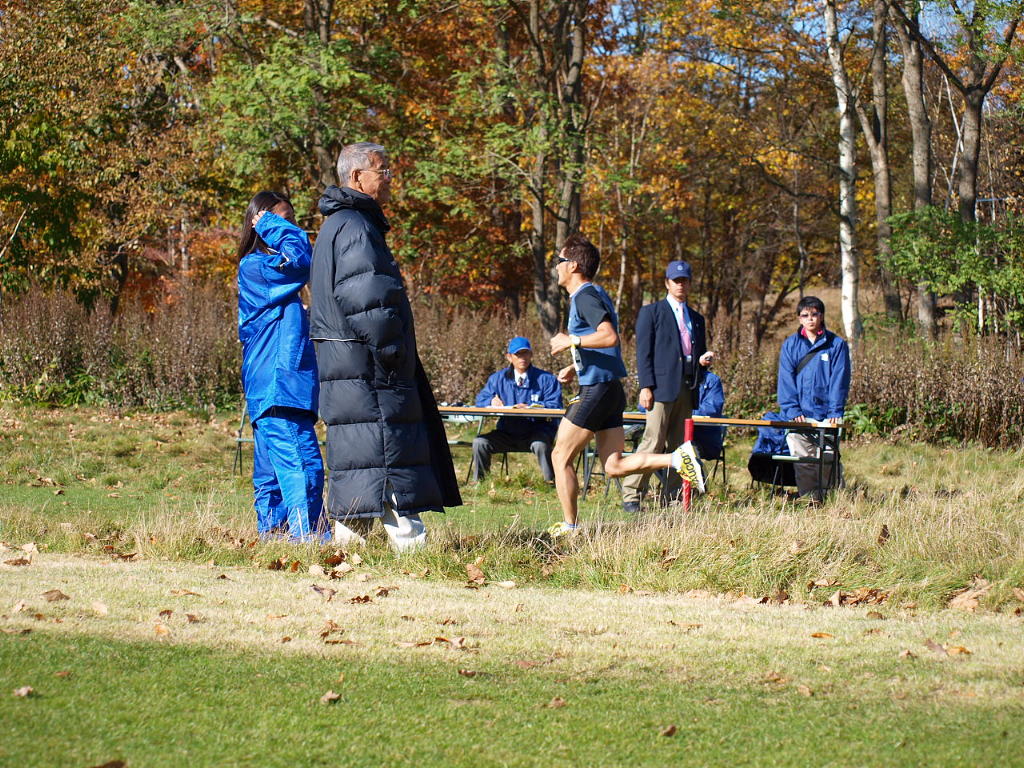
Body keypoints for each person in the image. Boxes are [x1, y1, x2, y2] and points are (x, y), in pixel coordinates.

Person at [309, 142, 462, 551]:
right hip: (371, 371)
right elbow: (369, 301)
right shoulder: (356, 227)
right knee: (388, 455)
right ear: (358, 177)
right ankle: (413, 552)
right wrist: (395, 354)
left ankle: (345, 552)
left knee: (359, 461)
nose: (390, 177)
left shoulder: (337, 225)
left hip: (346, 368)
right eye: (383, 170)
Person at [547, 234, 705, 537]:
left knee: (559, 456)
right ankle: (677, 458)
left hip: (597, 391)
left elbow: (608, 336)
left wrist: (571, 341)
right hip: (610, 389)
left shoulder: (584, 296)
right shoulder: (596, 293)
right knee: (614, 465)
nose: (556, 267)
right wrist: (576, 363)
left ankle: (570, 526)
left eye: (560, 260)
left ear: (574, 265)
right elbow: (604, 345)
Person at [236, 191, 324, 542]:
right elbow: (301, 261)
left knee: (272, 473)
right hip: (279, 385)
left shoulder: (269, 276)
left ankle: (274, 539)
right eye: (282, 219)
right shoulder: (257, 267)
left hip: (274, 387)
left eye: (291, 220)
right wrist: (274, 225)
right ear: (261, 222)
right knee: (303, 465)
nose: (292, 227)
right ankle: (309, 541)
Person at [621, 260, 715, 512]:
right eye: (676, 280)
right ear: (667, 283)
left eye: (685, 280)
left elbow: (696, 352)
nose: (681, 285)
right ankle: (632, 494)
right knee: (653, 440)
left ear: (690, 284)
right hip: (660, 388)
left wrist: (702, 361)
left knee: (680, 446)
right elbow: (643, 353)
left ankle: (673, 497)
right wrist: (645, 386)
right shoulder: (651, 312)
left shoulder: (697, 318)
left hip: (687, 387)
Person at [777, 295, 851, 502]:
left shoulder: (836, 345)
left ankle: (833, 499)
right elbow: (785, 381)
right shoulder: (790, 345)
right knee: (804, 461)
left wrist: (835, 411)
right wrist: (793, 409)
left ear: (822, 316)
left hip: (827, 414)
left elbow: (839, 381)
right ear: (799, 318)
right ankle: (810, 500)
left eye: (814, 314)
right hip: (798, 415)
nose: (810, 319)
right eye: (805, 315)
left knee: (828, 458)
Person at [472, 336, 562, 482]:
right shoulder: (497, 379)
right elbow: (480, 401)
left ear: (531, 355)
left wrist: (533, 407)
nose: (522, 358)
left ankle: (551, 483)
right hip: (506, 432)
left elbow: (555, 405)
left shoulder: (547, 379)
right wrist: (491, 401)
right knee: (480, 443)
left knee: (540, 445)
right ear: (509, 357)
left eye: (525, 353)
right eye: (518, 354)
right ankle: (479, 483)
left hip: (537, 433)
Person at [692, 369, 725, 461]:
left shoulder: (712, 380)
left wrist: (684, 412)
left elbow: (712, 409)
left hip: (704, 439)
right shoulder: (673, 378)